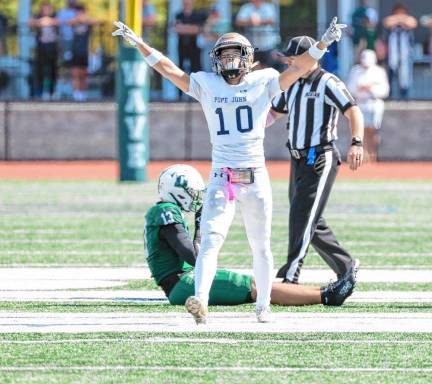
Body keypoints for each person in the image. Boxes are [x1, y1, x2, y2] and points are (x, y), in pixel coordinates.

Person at [112, 16, 347, 325]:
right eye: (223, 54)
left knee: (260, 243)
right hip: (224, 176)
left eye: (234, 53)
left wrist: (324, 43)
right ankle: (202, 300)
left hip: (254, 175)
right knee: (211, 239)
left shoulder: (263, 81)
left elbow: (300, 68)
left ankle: (263, 305)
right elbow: (169, 70)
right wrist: (141, 44)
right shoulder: (207, 84)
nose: (229, 59)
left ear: (248, 57)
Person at [145, 164, 356, 317]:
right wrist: (202, 224)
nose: (197, 197)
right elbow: (193, 256)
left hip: (184, 282)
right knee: (256, 286)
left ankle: (325, 291)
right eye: (192, 193)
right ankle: (326, 295)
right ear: (177, 191)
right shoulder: (164, 211)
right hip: (183, 284)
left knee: (258, 283)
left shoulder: (163, 211)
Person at [269, 35, 364, 285]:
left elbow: (353, 110)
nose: (288, 60)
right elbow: (274, 113)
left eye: (294, 56)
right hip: (297, 158)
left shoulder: (327, 82)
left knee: (302, 215)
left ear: (309, 57)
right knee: (310, 216)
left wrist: (356, 142)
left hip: (319, 156)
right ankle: (346, 265)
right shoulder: (290, 83)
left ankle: (291, 272)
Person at [347, 50, 390, 162]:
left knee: (374, 131)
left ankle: (373, 156)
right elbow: (350, 88)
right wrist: (359, 88)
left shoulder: (379, 71)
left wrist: (371, 88)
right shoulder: (355, 70)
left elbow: (384, 90)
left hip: (374, 104)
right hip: (360, 103)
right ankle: (364, 156)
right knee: (362, 130)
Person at [235, 0, 279, 69]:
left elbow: (271, 20)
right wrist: (250, 22)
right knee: (254, 67)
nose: (257, 1)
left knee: (267, 69)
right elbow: (238, 21)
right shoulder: (246, 8)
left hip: (268, 44)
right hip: (252, 44)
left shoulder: (269, 7)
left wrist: (258, 21)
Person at [383, 3, 417, 99]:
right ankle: (390, 95)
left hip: (405, 55)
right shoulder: (391, 21)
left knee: (405, 76)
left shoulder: (408, 20)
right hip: (392, 55)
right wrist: (399, 19)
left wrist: (400, 19)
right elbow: (387, 22)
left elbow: (413, 23)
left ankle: (405, 96)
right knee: (391, 76)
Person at [28, 1, 59, 100]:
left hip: (52, 47)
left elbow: (58, 22)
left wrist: (47, 21)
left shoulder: (55, 15)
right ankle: (40, 91)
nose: (47, 10)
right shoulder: (37, 16)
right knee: (40, 70)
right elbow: (30, 22)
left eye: (49, 8)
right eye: (45, 8)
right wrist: (42, 21)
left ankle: (51, 91)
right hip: (41, 47)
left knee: (53, 70)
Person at [68, 4, 100, 101]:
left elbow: (96, 21)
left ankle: (83, 93)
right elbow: (70, 22)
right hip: (75, 50)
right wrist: (79, 19)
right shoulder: (74, 21)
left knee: (84, 74)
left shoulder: (88, 22)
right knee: (75, 73)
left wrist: (84, 19)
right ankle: (76, 93)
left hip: (86, 51)